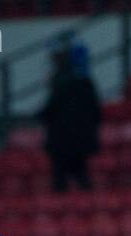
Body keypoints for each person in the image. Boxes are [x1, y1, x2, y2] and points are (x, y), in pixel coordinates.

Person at [39, 43, 100, 191]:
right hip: (78, 140)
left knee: (63, 179)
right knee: (79, 176)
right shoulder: (84, 82)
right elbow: (96, 111)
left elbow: (51, 109)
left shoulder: (61, 82)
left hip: (62, 141)